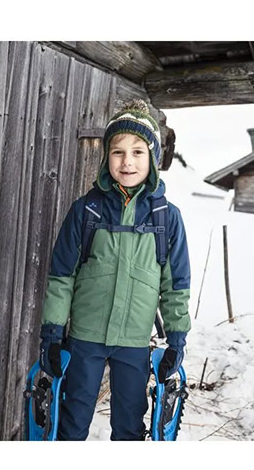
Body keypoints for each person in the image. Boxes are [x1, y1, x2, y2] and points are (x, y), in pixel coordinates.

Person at [38, 98, 191, 441]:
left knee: (129, 426)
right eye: (118, 152)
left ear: (153, 158)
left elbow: (176, 286)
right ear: (106, 156)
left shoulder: (167, 218)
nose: (127, 161)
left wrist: (177, 339)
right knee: (72, 421)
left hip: (134, 342)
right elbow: (62, 277)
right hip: (85, 338)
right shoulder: (86, 211)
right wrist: (52, 333)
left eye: (138, 152)